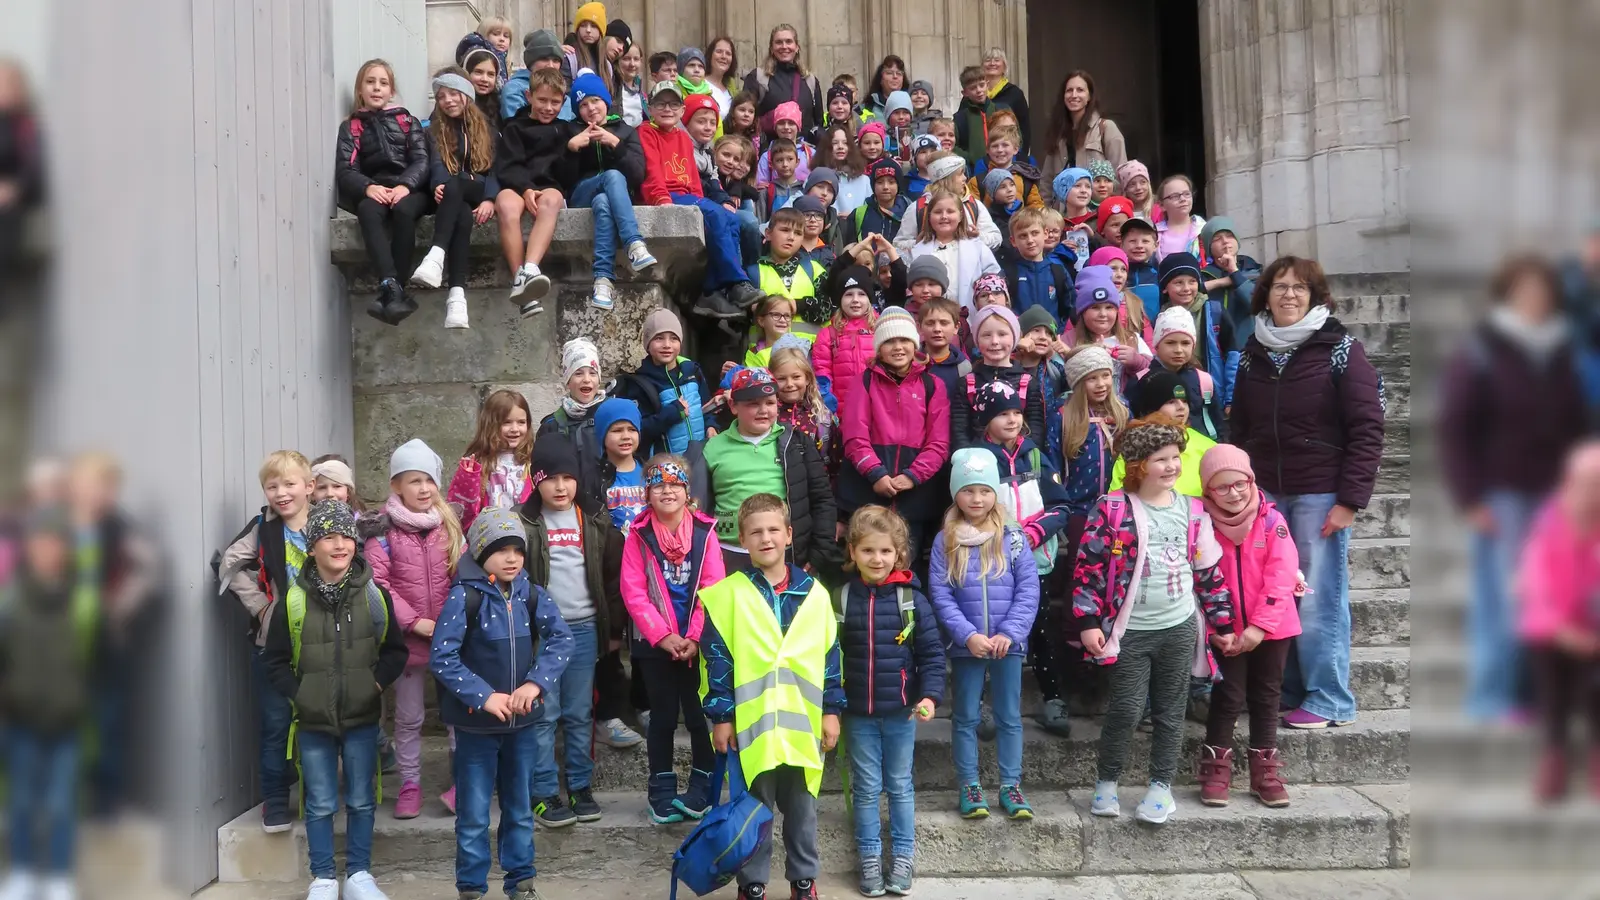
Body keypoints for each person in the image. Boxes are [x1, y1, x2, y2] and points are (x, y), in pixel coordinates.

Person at [1229, 256, 1386, 730]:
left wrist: (1350, 501)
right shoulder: (1254, 350)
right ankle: (1291, 689)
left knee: (1317, 597)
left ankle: (1329, 697)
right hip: (1267, 494)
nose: (1289, 295)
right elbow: (1240, 428)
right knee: (1275, 594)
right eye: (1280, 287)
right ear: (1265, 295)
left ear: (1315, 296)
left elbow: (1367, 428)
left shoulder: (1341, 349)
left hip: (1320, 493)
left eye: (1300, 288)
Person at [1441, 256, 1587, 722]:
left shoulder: (1563, 350)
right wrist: (1470, 497)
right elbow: (1456, 428)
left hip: (1555, 496)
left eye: (1542, 290)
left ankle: (1534, 697)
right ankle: (1492, 697)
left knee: (1553, 599)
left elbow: (1579, 426)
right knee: (1501, 601)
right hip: (1500, 494)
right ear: (1508, 294)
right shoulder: (1483, 349)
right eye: (1525, 289)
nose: (1535, 298)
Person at [1070, 415, 1233, 826]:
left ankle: (1161, 786)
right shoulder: (1112, 509)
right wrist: (1089, 622)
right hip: (1131, 631)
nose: (1172, 466)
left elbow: (1209, 572)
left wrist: (1223, 623)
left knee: (1170, 708)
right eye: (1161, 459)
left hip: (1178, 627)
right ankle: (1107, 781)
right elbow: (1088, 568)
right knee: (1125, 709)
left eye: (1176, 457)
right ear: (1139, 464)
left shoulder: (1194, 512)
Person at [261, 500, 409, 900]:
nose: (339, 545)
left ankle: (359, 875)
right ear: (312, 547)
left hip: (362, 717)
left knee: (362, 798)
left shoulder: (376, 596)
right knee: (320, 799)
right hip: (312, 721)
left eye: (346, 536)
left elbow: (395, 652)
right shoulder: (292, 602)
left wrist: (373, 685)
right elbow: (274, 662)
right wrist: (302, 695)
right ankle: (324, 877)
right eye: (328, 537)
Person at [698, 493, 843, 900]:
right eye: (756, 531)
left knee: (803, 812)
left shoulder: (815, 593)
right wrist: (722, 717)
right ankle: (753, 885)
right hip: (751, 728)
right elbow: (716, 661)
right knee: (753, 813)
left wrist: (831, 711)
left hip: (801, 727)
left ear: (789, 535)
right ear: (742, 539)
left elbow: (830, 656)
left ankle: (803, 881)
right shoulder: (727, 595)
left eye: (774, 529)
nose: (766, 538)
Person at [430, 507, 574, 900]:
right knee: (474, 815)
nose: (512, 558)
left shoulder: (531, 593)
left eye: (518, 550)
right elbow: (442, 657)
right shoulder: (464, 597)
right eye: (501, 550)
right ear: (479, 552)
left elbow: (562, 640)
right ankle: (472, 889)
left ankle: (521, 883)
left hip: (523, 728)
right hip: (476, 729)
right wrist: (484, 696)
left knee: (519, 811)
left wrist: (536, 684)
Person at [517, 437, 627, 827]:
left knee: (580, 713)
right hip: (541, 633)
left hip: (582, 630)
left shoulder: (595, 519)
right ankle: (544, 792)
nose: (560, 487)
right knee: (544, 714)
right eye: (551, 479)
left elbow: (612, 578)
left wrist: (613, 630)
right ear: (536, 481)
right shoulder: (524, 521)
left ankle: (580, 785)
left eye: (568, 478)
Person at [837, 505, 944, 896]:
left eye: (885, 551)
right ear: (852, 552)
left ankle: (902, 857)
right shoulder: (843, 598)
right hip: (858, 715)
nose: (876, 559)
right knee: (866, 788)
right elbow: (831, 657)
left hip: (901, 712)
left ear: (899, 553)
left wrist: (930, 696)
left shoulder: (911, 600)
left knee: (899, 785)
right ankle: (868, 857)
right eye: (867, 551)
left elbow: (932, 654)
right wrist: (832, 706)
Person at [929, 449, 1040, 820]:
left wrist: (1011, 631)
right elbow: (940, 593)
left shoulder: (1014, 537)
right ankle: (970, 785)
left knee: (1009, 715)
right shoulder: (945, 540)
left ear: (996, 492)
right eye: (968, 491)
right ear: (955, 493)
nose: (977, 499)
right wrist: (966, 635)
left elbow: (1028, 588)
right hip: (968, 646)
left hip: (1009, 644)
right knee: (965, 716)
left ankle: (1010, 784)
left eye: (985, 491)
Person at [1194, 445, 1303, 809]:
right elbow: (1201, 579)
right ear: (1208, 491)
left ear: (1251, 481)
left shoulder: (1272, 521)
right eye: (1221, 488)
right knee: (1228, 697)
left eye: (1239, 484)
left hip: (1272, 628)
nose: (1234, 493)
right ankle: (1216, 767)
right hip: (1225, 631)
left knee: (1267, 696)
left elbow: (1281, 576)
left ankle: (1264, 770)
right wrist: (1217, 629)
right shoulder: (1202, 523)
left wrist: (1258, 628)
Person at [362, 440, 465, 820]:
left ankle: (461, 781)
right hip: (407, 640)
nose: (423, 489)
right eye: (413, 481)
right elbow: (379, 585)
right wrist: (414, 622)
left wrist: (451, 623)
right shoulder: (382, 534)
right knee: (408, 718)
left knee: (456, 713)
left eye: (428, 480)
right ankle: (409, 784)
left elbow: (462, 576)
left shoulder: (450, 528)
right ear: (396, 486)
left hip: (449, 638)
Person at [619, 455, 724, 823]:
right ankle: (661, 789)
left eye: (675, 484)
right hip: (655, 646)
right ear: (647, 493)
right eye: (658, 485)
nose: (667, 490)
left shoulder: (705, 533)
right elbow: (633, 592)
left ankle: (702, 788)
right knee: (662, 718)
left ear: (687, 491)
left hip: (697, 644)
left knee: (698, 716)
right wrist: (663, 637)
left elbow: (713, 588)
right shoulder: (638, 535)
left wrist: (694, 637)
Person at [218, 451, 316, 834]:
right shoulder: (264, 527)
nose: (281, 492)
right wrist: (261, 607)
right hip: (274, 643)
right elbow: (228, 563)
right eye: (272, 486)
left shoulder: (326, 523)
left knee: (319, 721)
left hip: (322, 642)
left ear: (309, 487)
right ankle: (275, 799)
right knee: (276, 722)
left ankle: (318, 794)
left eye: (289, 484)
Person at [0, 510, 95, 900]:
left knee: (60, 805)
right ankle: (21, 873)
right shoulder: (10, 602)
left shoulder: (81, 601)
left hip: (67, 723)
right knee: (21, 801)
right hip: (20, 722)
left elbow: (95, 660)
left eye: (55, 545)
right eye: (40, 544)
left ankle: (59, 877)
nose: (47, 552)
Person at [969, 380, 1072, 737]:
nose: (1012, 420)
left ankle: (1053, 699)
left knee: (1040, 631)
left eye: (1016, 412)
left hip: (1036, 560)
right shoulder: (976, 460)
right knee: (988, 633)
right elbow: (968, 509)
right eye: (1002, 414)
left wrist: (1034, 533)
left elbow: (1061, 505)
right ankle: (982, 705)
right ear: (985, 420)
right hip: (991, 565)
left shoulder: (1035, 455)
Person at [691, 368, 840, 578]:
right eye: (753, 403)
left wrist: (819, 553)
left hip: (785, 555)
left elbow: (822, 499)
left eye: (770, 403)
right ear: (733, 406)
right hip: (728, 555)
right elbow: (697, 508)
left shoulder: (796, 444)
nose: (763, 410)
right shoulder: (711, 448)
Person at [1516, 443, 1600, 802]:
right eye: (1587, 483)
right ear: (1569, 483)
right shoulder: (1548, 526)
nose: (1592, 493)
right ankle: (1554, 756)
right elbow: (1533, 589)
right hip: (1555, 634)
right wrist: (1564, 631)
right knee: (1550, 674)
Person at [638, 82, 763, 317]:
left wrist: (700, 203)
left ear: (681, 111)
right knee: (716, 213)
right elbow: (652, 171)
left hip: (688, 197)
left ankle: (711, 292)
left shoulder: (683, 139)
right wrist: (662, 199)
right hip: (664, 195)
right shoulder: (646, 131)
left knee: (731, 218)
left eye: (673, 104)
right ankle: (736, 283)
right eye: (661, 104)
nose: (667, 109)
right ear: (651, 108)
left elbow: (694, 180)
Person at [840, 307, 952, 559]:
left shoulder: (933, 385)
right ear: (879, 347)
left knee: (906, 564)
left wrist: (913, 475)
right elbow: (854, 437)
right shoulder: (864, 381)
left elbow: (938, 443)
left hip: (916, 495)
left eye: (904, 340)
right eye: (890, 341)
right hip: (869, 491)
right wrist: (876, 473)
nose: (898, 347)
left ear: (915, 344)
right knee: (869, 561)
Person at [337, 60, 429, 325]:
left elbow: (421, 161)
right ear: (360, 90)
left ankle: (392, 291)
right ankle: (391, 285)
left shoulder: (407, 121)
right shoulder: (352, 127)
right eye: (370, 82)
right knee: (367, 211)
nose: (376, 88)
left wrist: (405, 185)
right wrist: (368, 186)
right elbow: (346, 169)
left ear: (391, 91)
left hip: (410, 189)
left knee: (402, 211)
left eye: (383, 83)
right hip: (376, 188)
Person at [410, 70, 499, 329]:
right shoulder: (434, 129)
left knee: (458, 181)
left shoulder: (487, 128)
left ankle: (436, 255)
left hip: (478, 188)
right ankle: (457, 298)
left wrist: (490, 199)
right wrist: (438, 183)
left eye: (453, 93)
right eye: (441, 96)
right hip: (453, 195)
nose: (447, 100)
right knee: (459, 211)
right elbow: (436, 163)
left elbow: (496, 169)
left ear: (467, 95)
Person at [563, 72, 656, 311]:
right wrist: (572, 149)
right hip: (580, 195)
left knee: (604, 202)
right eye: (583, 105)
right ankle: (634, 243)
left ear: (605, 101)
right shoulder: (570, 130)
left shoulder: (624, 130)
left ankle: (603, 281)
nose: (591, 108)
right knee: (611, 177)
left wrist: (615, 144)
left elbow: (637, 176)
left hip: (611, 199)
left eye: (594, 101)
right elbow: (562, 180)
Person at [493, 66, 569, 317]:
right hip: (518, 185)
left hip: (548, 187)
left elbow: (564, 170)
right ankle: (519, 280)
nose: (548, 107)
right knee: (505, 204)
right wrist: (525, 188)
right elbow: (508, 164)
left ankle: (530, 268)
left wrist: (574, 148)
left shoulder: (564, 130)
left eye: (555, 102)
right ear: (529, 97)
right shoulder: (514, 127)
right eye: (542, 100)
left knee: (551, 200)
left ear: (563, 102)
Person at [613, 308, 717, 457]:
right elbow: (638, 429)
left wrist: (711, 426)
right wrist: (672, 413)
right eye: (659, 338)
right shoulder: (640, 383)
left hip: (702, 457)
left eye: (673, 338)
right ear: (648, 344)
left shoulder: (692, 371)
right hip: (665, 465)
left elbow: (707, 409)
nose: (667, 345)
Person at [1111, 371, 1219, 497]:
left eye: (1184, 401)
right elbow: (1117, 496)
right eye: (1171, 402)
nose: (1181, 407)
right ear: (1152, 407)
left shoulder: (1208, 447)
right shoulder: (1135, 445)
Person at [447, 389, 534, 531]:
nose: (515, 429)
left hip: (526, 537)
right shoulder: (477, 463)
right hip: (490, 539)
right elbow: (460, 513)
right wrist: (467, 479)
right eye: (506, 422)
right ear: (490, 424)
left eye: (521, 422)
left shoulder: (531, 462)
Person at [909, 190, 1002, 315]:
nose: (944, 216)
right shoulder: (918, 251)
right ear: (929, 216)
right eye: (937, 212)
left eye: (950, 211)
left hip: (971, 318)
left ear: (961, 216)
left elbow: (994, 279)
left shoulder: (978, 247)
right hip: (932, 321)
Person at [1041, 70, 1127, 205]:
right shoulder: (1058, 133)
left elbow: (1122, 176)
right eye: (1069, 90)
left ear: (1089, 97)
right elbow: (1046, 180)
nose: (1074, 95)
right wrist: (1046, 212)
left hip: (1097, 214)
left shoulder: (1106, 128)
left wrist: (1111, 211)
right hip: (1063, 217)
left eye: (1080, 90)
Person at [1066, 265, 1150, 395]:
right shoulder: (1068, 341)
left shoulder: (1131, 338)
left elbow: (1152, 372)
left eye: (1109, 307)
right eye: (1095, 307)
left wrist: (1137, 361)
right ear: (1082, 312)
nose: (1103, 314)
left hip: (1123, 409)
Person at [1145, 307, 1224, 441]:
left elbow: (1218, 423)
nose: (1178, 350)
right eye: (1170, 343)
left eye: (1185, 343)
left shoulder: (1203, 380)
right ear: (1157, 345)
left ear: (1193, 346)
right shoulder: (1143, 380)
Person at [811, 265, 880, 413]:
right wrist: (829, 403)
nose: (855, 300)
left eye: (861, 294)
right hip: (843, 411)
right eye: (849, 294)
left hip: (878, 409)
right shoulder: (828, 334)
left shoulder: (881, 330)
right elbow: (822, 372)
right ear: (840, 299)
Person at [771, 342, 840, 480]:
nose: (790, 384)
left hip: (815, 485)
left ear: (807, 378)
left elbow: (834, 459)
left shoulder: (822, 416)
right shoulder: (767, 415)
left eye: (796, 377)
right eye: (781, 379)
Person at [742, 24, 824, 139]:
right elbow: (745, 117)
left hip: (803, 152)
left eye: (789, 41)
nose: (784, 46)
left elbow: (818, 122)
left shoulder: (810, 81)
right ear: (771, 48)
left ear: (797, 47)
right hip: (768, 152)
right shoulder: (758, 78)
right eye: (779, 42)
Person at [999, 208, 1074, 330]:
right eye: (1023, 236)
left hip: (1052, 340)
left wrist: (1059, 332)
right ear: (1013, 241)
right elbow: (1002, 310)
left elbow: (1071, 308)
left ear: (1045, 233)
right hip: (1021, 340)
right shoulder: (1009, 274)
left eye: (1034, 233)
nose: (1030, 240)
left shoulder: (1058, 271)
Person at [1199, 217, 1261, 348]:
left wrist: (1234, 272)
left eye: (1230, 236)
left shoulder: (1254, 270)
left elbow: (1256, 304)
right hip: (1216, 348)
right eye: (1217, 239)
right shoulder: (1204, 275)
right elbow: (1191, 293)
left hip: (1249, 347)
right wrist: (1223, 282)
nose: (1225, 241)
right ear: (1209, 246)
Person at [845, 158, 907, 246]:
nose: (885, 187)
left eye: (891, 182)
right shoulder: (859, 214)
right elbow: (849, 248)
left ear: (898, 185)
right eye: (880, 182)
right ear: (873, 186)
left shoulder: (909, 212)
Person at [981, 48, 1031, 156]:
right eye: (988, 60)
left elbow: (1024, 128)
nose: (992, 63)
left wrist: (1021, 155)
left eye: (997, 60)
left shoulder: (1015, 94)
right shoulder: (975, 93)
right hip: (980, 155)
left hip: (1007, 155)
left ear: (1004, 66)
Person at [819, 124, 871, 215]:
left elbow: (870, 210)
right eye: (835, 143)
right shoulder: (817, 177)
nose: (840, 147)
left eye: (845, 143)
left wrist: (854, 216)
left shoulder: (864, 180)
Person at [1155, 175, 1207, 263]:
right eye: (1175, 196)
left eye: (1186, 194)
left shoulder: (1204, 229)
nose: (1183, 199)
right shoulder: (1154, 234)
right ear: (1162, 205)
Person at [562, 2, 615, 88]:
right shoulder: (570, 58)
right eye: (583, 25)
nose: (588, 30)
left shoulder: (607, 66)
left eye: (594, 26)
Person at [1121, 216, 1163, 321]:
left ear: (1156, 245)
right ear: (1121, 245)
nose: (1139, 245)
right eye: (1132, 241)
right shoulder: (1117, 275)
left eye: (1145, 241)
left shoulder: (1161, 274)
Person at [457, 43, 506, 132]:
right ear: (465, 73)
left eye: (491, 74)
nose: (484, 79)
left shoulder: (499, 105)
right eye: (478, 72)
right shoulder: (454, 102)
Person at [953, 67, 995, 169]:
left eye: (982, 85)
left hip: (1003, 167)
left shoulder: (1002, 110)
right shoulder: (960, 118)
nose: (979, 90)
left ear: (987, 85)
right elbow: (952, 145)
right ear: (965, 93)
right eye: (973, 88)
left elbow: (1016, 137)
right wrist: (970, 158)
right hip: (974, 170)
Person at [745, 294, 802, 368]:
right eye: (776, 315)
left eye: (787, 316)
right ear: (761, 321)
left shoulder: (800, 349)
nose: (782, 320)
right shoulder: (753, 353)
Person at [705, 36, 741, 115]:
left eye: (728, 53)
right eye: (719, 51)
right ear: (710, 55)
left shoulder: (732, 89)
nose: (724, 56)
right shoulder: (699, 84)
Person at [865, 55, 909, 119]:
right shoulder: (866, 109)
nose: (895, 76)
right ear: (880, 79)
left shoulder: (913, 105)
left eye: (899, 73)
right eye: (889, 73)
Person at [615, 41, 646, 126]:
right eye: (626, 59)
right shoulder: (612, 90)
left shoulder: (641, 93)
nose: (632, 64)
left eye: (636, 59)